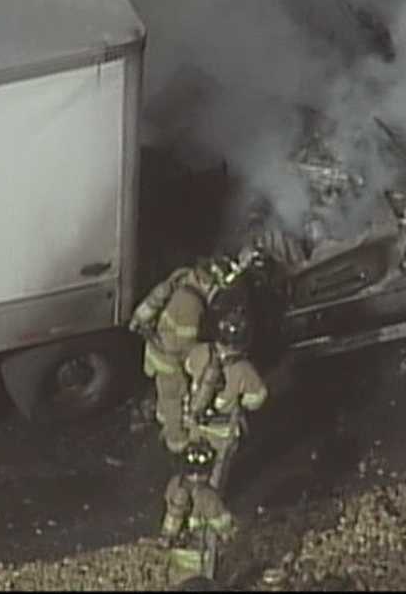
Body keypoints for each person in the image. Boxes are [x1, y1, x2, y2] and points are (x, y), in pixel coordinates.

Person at [129, 252, 255, 453]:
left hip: (157, 349)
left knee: (166, 395)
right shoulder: (191, 306)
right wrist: (205, 360)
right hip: (168, 362)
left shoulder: (184, 277)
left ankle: (163, 414)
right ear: (207, 283)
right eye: (215, 287)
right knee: (174, 401)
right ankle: (176, 440)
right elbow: (184, 346)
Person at [181, 305, 268, 489]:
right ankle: (211, 498)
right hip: (221, 432)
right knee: (218, 471)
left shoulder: (201, 351)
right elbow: (257, 398)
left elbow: (188, 367)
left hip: (195, 424)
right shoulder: (244, 369)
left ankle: (189, 491)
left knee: (193, 462)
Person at [161, 442, 235, 587]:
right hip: (198, 560)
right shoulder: (209, 497)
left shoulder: (174, 483)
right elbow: (226, 531)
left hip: (176, 555)